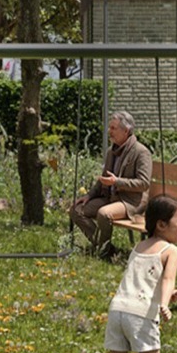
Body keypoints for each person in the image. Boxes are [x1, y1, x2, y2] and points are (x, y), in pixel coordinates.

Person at [94, 192, 177, 353]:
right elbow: (167, 280)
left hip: (118, 310)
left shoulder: (139, 245)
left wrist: (163, 298)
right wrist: (164, 302)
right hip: (141, 315)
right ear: (162, 225)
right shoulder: (172, 251)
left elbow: (143, 279)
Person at [68, 109, 156, 254]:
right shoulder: (111, 151)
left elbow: (144, 183)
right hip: (110, 198)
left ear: (126, 131)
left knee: (104, 214)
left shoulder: (141, 152)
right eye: (110, 127)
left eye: (113, 128)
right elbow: (103, 179)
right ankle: (104, 247)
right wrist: (89, 196)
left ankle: (103, 251)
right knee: (76, 210)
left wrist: (117, 182)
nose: (109, 131)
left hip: (131, 202)